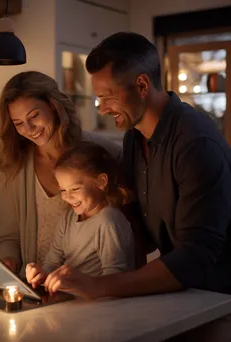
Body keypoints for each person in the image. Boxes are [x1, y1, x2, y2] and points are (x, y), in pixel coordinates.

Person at [44, 32, 231, 302]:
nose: (103, 109)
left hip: (216, 301)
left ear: (142, 86)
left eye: (108, 97)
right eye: (98, 99)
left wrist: (101, 286)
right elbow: (138, 226)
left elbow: (195, 256)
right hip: (182, 295)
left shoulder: (195, 142)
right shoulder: (134, 138)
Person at [0, 71, 123, 276]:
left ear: (54, 107)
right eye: (18, 123)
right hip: (40, 288)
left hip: (94, 288)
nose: (29, 129)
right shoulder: (15, 166)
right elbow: (9, 238)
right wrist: (6, 264)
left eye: (34, 116)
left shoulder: (101, 152)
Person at [26, 141, 134, 289]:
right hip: (71, 299)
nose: (67, 197)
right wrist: (42, 274)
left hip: (98, 304)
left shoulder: (108, 222)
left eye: (75, 189)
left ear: (101, 182)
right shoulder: (68, 218)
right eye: (63, 190)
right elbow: (52, 261)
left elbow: (114, 276)